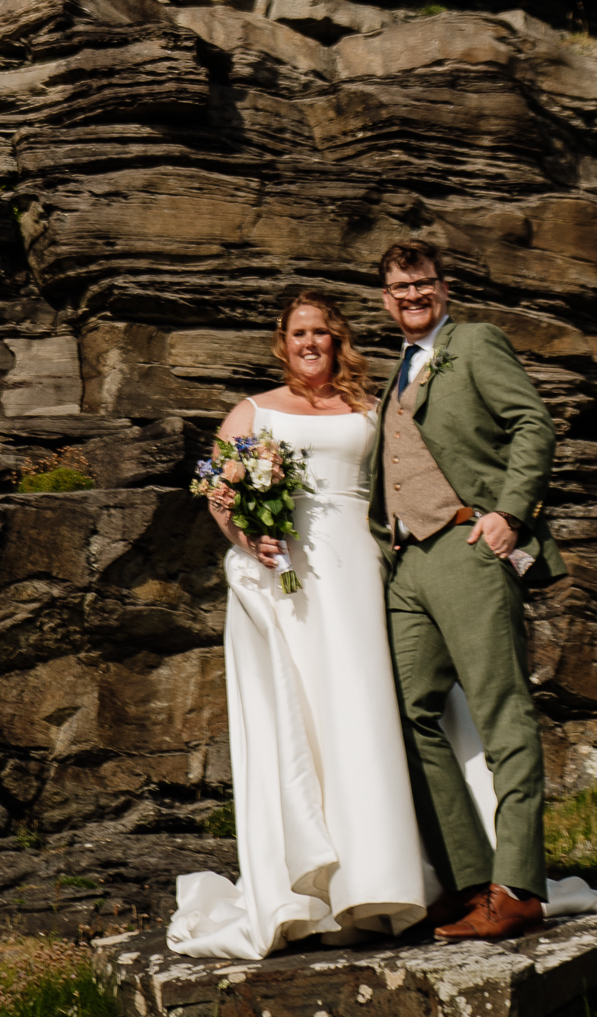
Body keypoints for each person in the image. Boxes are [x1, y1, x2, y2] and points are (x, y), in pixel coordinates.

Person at [167, 290, 439, 960]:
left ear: (337, 340)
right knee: (307, 718)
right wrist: (246, 536)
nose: (310, 342)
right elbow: (210, 481)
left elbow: (404, 484)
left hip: (362, 573)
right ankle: (314, 892)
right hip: (289, 581)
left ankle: (387, 879)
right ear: (282, 343)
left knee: (365, 714)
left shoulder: (371, 411)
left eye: (320, 331)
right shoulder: (254, 412)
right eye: (298, 333)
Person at [368, 236, 568, 944]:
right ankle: (467, 879)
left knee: (502, 712)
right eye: (399, 288)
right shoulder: (396, 370)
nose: (412, 296)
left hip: (467, 544)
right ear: (385, 299)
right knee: (405, 713)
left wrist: (510, 514)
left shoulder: (477, 343)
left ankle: (519, 890)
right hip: (407, 561)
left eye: (421, 283)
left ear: (443, 288)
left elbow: (533, 424)